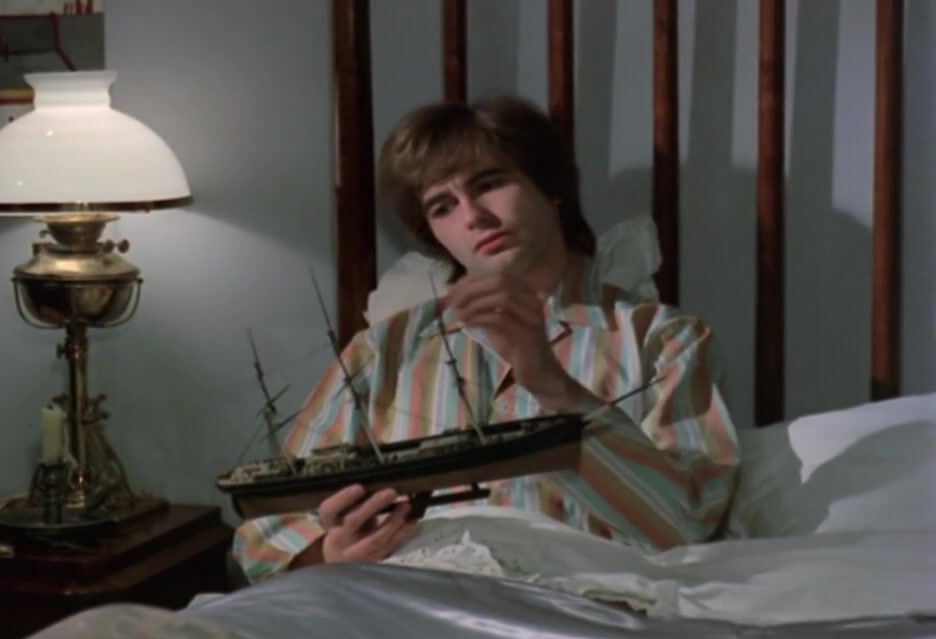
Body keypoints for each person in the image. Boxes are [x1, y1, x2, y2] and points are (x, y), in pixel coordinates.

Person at [233, 96, 739, 584]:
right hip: (401, 601)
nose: (473, 215)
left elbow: (687, 525)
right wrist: (329, 553)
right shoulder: (382, 352)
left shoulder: (663, 342)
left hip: (579, 605)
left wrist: (553, 385)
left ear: (552, 186)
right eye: (442, 207)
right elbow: (262, 534)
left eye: (490, 183)